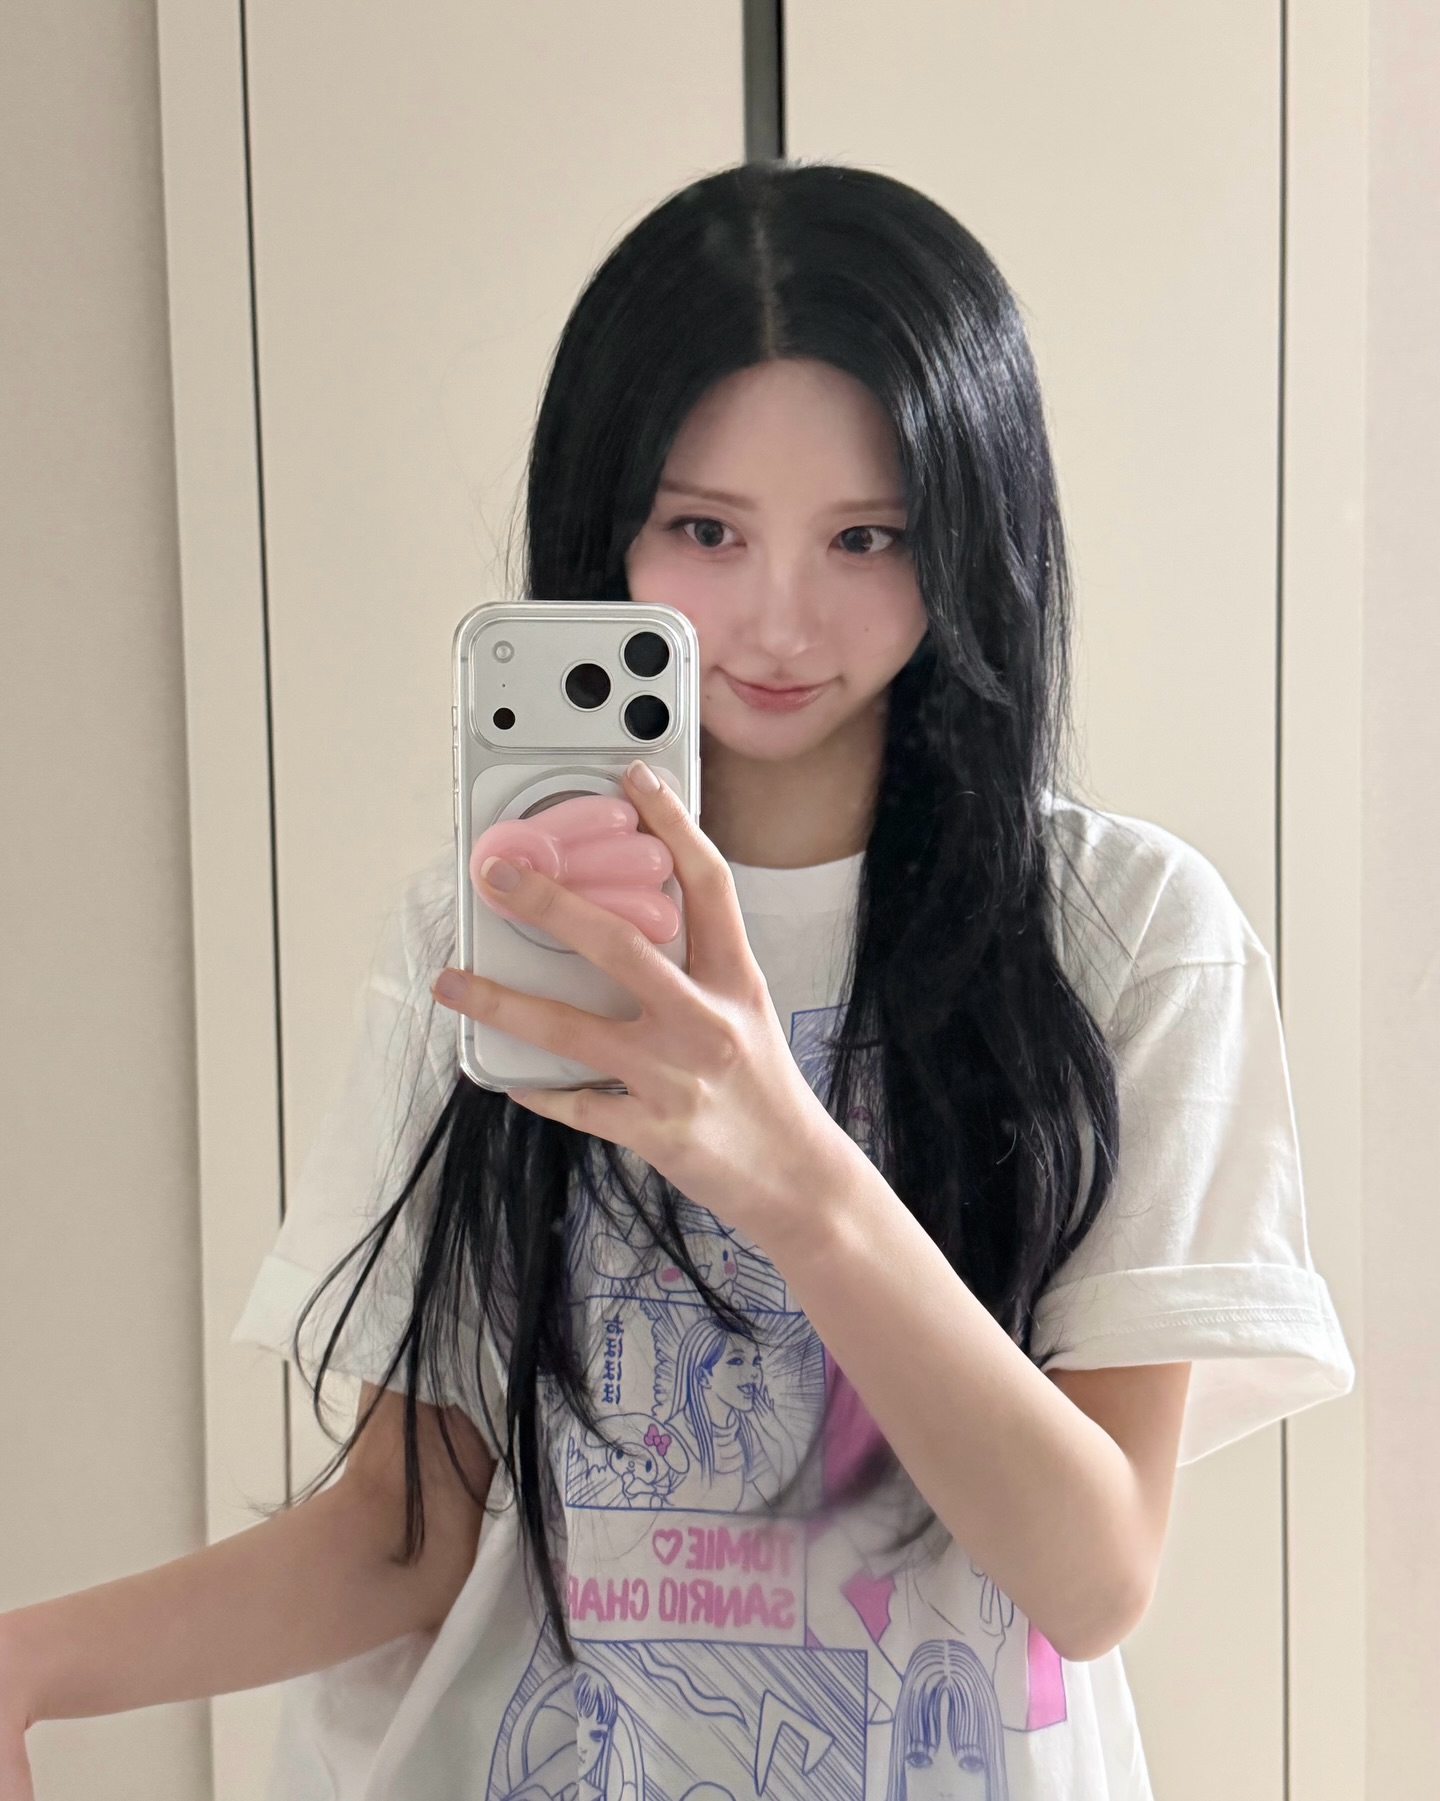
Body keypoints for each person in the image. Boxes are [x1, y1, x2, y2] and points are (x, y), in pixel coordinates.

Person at [0, 159, 1354, 1801]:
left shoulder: (1124, 936)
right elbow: (404, 1534)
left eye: (868, 536)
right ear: (611, 520)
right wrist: (32, 1661)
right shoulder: (487, 929)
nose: (780, 619)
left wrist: (786, 1166)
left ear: (971, 535)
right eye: (707, 529)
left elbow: (1092, 1573)